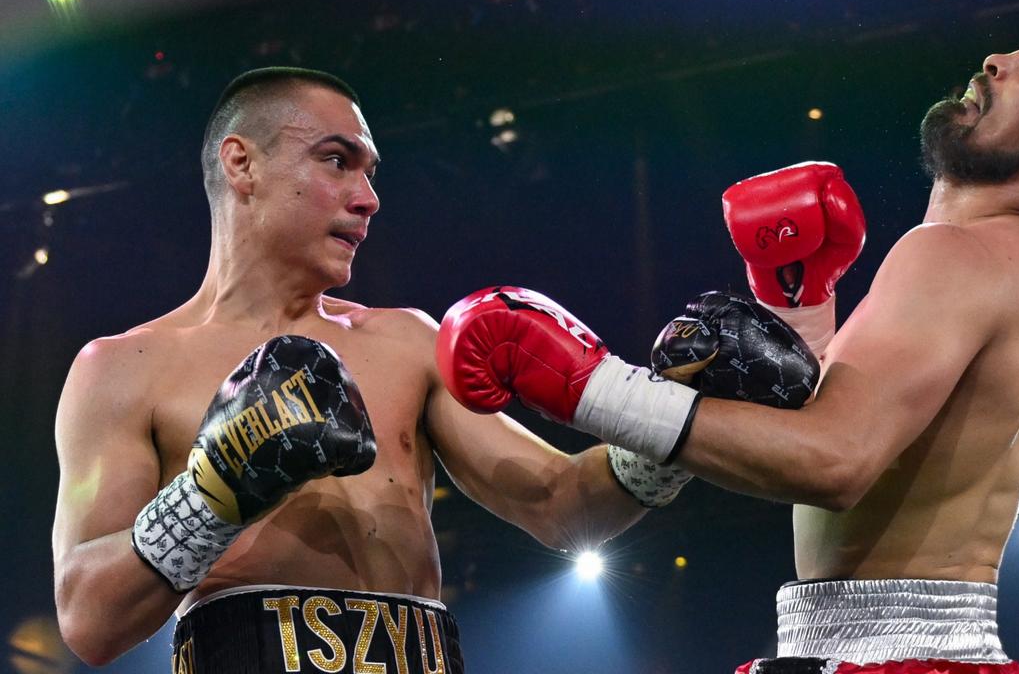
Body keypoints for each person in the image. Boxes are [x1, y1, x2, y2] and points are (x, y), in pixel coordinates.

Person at [436, 6, 1019, 673]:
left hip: (893, 656)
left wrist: (589, 385)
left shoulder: (956, 255)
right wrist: (802, 304)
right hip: (902, 652)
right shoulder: (1004, 268)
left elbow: (834, 461)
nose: (997, 60)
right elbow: (861, 455)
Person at [50, 67, 693, 673]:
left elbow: (564, 506)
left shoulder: (408, 342)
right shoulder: (124, 369)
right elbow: (88, 620)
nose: (369, 199)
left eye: (371, 172)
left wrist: (681, 421)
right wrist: (212, 492)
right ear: (242, 164)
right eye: (337, 161)